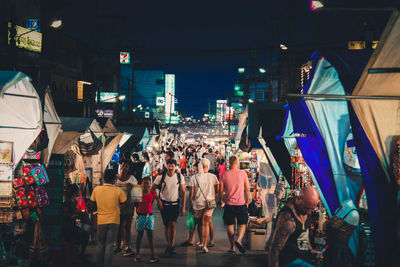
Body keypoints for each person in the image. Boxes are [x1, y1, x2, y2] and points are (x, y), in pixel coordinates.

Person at [268, 186, 322, 267]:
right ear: (298, 199)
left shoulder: (306, 210)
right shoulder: (288, 218)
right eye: (307, 208)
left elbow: (304, 235)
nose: (309, 212)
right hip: (290, 260)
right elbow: (274, 249)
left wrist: (311, 250)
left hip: (303, 257)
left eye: (312, 209)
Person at [90, 169, 127, 267]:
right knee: (109, 245)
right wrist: (119, 208)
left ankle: (100, 265)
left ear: (104, 178)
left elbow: (92, 204)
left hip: (101, 220)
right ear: (114, 179)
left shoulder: (97, 189)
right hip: (114, 220)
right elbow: (124, 202)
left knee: (100, 245)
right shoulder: (118, 190)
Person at [151, 159, 186, 255]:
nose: (170, 168)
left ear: (176, 166)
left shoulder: (180, 177)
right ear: (166, 166)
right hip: (164, 204)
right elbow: (152, 189)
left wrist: (183, 206)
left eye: (172, 166)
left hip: (175, 204)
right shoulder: (161, 177)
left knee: (173, 224)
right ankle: (168, 244)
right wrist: (158, 200)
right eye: (169, 166)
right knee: (166, 225)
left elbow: (183, 192)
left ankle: (172, 245)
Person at [219, 155, 250, 254]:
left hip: (229, 204)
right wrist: (247, 201)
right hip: (241, 203)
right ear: (237, 163)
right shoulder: (243, 173)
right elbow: (247, 189)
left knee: (230, 224)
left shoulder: (224, 175)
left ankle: (232, 246)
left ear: (229, 163)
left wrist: (220, 200)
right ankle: (239, 240)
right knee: (242, 223)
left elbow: (220, 190)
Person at [189, 158, 219, 253]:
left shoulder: (194, 177)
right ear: (207, 166)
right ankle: (205, 246)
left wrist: (190, 204)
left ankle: (201, 241)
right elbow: (217, 190)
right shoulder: (213, 177)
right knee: (206, 224)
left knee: (199, 224)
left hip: (198, 204)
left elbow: (191, 194)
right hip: (210, 204)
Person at [134, 177, 162, 263]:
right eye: (144, 183)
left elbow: (157, 199)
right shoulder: (139, 193)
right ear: (141, 185)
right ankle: (137, 253)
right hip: (140, 216)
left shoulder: (153, 193)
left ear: (150, 184)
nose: (146, 185)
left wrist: (159, 203)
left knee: (150, 236)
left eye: (147, 183)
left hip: (149, 216)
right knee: (140, 235)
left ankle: (153, 254)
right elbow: (135, 203)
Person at [114, 160, 138, 256]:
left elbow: (136, 194)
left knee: (127, 226)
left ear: (129, 168)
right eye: (123, 165)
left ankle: (128, 246)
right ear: (120, 166)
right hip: (117, 205)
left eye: (127, 166)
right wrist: (126, 186)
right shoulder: (115, 178)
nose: (124, 167)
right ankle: (118, 246)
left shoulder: (132, 178)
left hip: (129, 205)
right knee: (119, 226)